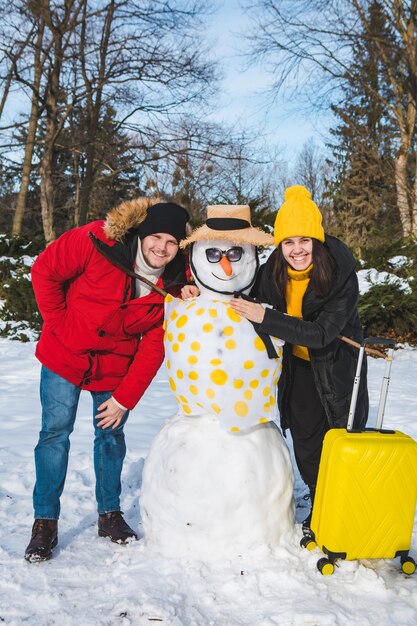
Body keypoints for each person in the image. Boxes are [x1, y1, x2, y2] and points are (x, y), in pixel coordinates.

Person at [25, 197, 190, 562]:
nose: (161, 248)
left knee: (110, 435)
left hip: (116, 367)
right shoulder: (95, 241)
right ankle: (45, 522)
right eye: (156, 236)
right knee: (54, 434)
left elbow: (154, 346)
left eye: (171, 242)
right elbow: (44, 271)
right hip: (63, 355)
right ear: (142, 232)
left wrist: (125, 398)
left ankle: (109, 514)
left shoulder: (175, 285)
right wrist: (59, 324)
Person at [230, 185, 368, 530]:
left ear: (317, 240)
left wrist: (266, 318)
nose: (296, 250)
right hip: (300, 368)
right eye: (289, 242)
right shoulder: (272, 270)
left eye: (304, 241)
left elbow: (322, 333)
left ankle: (348, 508)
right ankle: (321, 503)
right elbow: (238, 292)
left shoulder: (340, 275)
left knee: (341, 437)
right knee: (306, 440)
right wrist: (191, 286)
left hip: (338, 366)